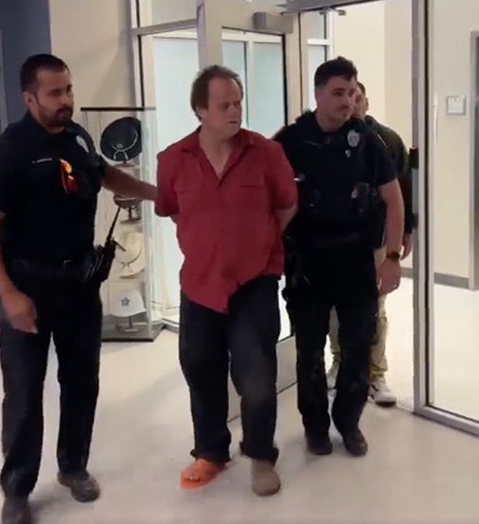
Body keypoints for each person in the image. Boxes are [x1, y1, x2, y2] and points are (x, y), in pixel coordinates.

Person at [0, 53, 157, 524]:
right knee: (24, 393)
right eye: (55, 93)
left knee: (81, 383)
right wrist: (9, 294)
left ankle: (73, 466)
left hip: (79, 288)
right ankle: (17, 489)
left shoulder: (77, 137)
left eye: (68, 89)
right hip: (27, 290)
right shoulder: (5, 152)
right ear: (29, 98)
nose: (66, 100)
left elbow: (103, 174)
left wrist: (156, 194)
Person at [154, 65, 298, 496]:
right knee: (200, 368)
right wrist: (210, 243)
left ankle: (260, 455)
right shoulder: (173, 160)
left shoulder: (267, 153)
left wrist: (258, 243)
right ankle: (211, 451)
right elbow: (173, 210)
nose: (235, 111)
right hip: (200, 284)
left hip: (255, 281)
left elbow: (287, 206)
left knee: (256, 376)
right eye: (224, 105)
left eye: (238, 103)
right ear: (200, 110)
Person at [273, 57, 405, 457]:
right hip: (307, 262)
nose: (346, 101)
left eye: (351, 92)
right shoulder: (289, 141)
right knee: (310, 350)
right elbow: (264, 200)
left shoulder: (367, 142)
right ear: (317, 95)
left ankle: (348, 422)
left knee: (358, 345)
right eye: (337, 93)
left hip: (355, 258)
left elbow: (394, 199)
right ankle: (315, 427)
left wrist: (392, 257)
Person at [327, 81, 416, 407]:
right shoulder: (329, 139)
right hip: (337, 241)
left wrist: (405, 232)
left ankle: (376, 374)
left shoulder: (387, 141)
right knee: (336, 307)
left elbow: (404, 190)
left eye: (357, 97)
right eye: (345, 97)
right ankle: (339, 363)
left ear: (366, 102)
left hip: (376, 238)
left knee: (375, 308)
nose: (352, 104)